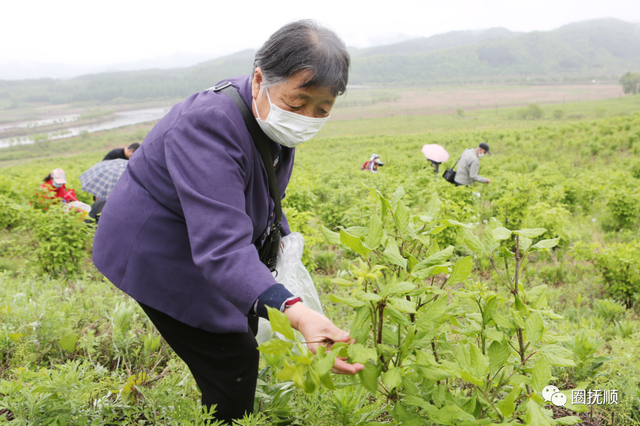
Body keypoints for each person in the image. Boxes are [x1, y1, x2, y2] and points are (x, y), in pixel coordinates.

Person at [92, 20, 363, 424]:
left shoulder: (270, 115)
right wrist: (298, 313)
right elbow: (221, 248)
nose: (307, 117)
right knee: (230, 352)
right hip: (156, 249)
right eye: (298, 104)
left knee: (246, 320)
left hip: (202, 237)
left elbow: (262, 193)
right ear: (259, 79)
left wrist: (281, 248)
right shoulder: (208, 125)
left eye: (322, 110)